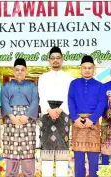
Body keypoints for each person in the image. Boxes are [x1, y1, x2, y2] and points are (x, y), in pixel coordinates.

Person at [38, 47, 74, 176]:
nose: (55, 61)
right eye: (52, 58)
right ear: (49, 61)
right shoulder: (43, 77)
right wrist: (48, 110)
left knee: (62, 151)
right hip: (47, 115)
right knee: (47, 151)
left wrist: (60, 109)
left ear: (62, 60)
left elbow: (70, 96)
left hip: (63, 113)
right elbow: (41, 96)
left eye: (58, 58)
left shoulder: (69, 77)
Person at [68, 55, 106, 177]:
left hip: (93, 124)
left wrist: (92, 119)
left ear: (94, 68)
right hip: (77, 123)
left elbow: (102, 103)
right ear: (80, 68)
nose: (87, 70)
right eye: (84, 67)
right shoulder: (74, 84)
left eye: (90, 68)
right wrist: (75, 118)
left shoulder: (100, 85)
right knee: (78, 161)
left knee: (94, 160)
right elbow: (71, 101)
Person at [1, 58, 39, 177]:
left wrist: (27, 116)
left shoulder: (32, 86)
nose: (20, 72)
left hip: (27, 121)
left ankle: (29, 174)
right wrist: (12, 116)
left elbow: (35, 101)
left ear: (26, 71)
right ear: (13, 71)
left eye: (22, 70)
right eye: (17, 70)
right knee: (12, 153)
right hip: (10, 121)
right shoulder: (6, 86)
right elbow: (4, 101)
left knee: (27, 152)